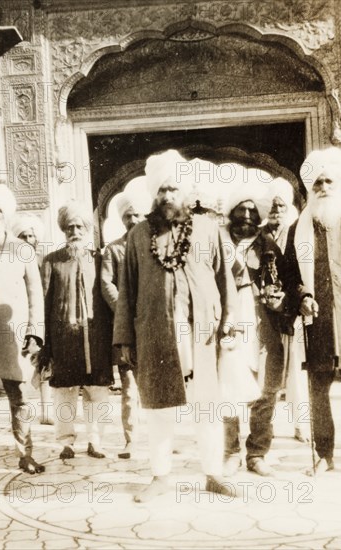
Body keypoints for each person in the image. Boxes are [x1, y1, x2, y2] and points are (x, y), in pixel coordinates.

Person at [113, 150, 238, 502]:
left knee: (207, 406)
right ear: (154, 195)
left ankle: (213, 474)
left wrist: (231, 320)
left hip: (202, 334)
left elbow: (224, 280)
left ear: (185, 193)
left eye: (173, 189)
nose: (167, 196)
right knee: (158, 407)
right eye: (161, 190)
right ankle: (160, 476)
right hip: (155, 333)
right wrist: (123, 338)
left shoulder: (208, 229)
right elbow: (126, 291)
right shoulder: (138, 235)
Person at [284, 146, 341, 475]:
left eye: (328, 181)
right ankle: (324, 455)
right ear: (309, 189)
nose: (323, 187)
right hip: (318, 320)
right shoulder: (297, 230)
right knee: (319, 387)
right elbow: (288, 276)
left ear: (338, 185)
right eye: (317, 183)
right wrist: (301, 297)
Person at [219, 177, 290, 477]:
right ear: (232, 213)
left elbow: (287, 280)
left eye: (252, 212)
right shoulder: (217, 242)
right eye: (241, 211)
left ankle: (257, 453)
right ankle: (230, 452)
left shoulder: (268, 245)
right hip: (229, 325)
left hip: (264, 327)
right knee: (229, 390)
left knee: (266, 391)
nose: (246, 217)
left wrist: (281, 300)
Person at [0, 184, 45, 478]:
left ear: (6, 214)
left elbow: (35, 295)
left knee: (21, 399)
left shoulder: (22, 250)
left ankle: (25, 455)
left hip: (14, 336)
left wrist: (34, 333)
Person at [41, 200, 114, 460]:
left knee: (98, 392)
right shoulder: (52, 261)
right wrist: (46, 344)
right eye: (70, 227)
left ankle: (96, 441)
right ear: (63, 230)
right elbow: (45, 302)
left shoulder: (99, 259)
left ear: (87, 229)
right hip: (63, 339)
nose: (74, 231)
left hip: (96, 337)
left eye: (79, 226)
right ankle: (66, 442)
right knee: (64, 392)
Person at [261, 179, 309, 443]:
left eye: (280, 205)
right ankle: (265, 427)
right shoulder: (259, 237)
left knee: (295, 374)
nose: (275, 209)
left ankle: (301, 425)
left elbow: (300, 273)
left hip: (291, 311)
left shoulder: (296, 232)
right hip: (265, 315)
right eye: (271, 205)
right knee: (267, 375)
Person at [101, 192, 148, 459]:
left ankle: (161, 438)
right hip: (125, 329)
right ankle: (131, 439)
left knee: (154, 386)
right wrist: (125, 309)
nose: (133, 220)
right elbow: (107, 283)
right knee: (129, 388)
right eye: (128, 216)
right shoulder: (113, 250)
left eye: (137, 214)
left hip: (151, 327)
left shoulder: (154, 247)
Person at [12, 212, 54, 426]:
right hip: (20, 320)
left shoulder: (44, 260)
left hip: (43, 318)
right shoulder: (10, 261)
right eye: (23, 236)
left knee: (44, 363)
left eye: (31, 236)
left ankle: (47, 410)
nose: (28, 240)